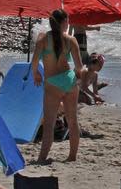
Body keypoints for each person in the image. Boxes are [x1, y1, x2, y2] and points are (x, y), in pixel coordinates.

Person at [31, 9, 84, 163]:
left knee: (49, 123)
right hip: (69, 80)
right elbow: (79, 67)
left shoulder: (43, 39)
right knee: (73, 121)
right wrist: (77, 76)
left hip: (52, 82)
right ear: (63, 23)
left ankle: (42, 158)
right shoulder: (71, 40)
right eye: (67, 21)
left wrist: (36, 74)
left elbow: (34, 62)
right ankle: (72, 157)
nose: (68, 24)